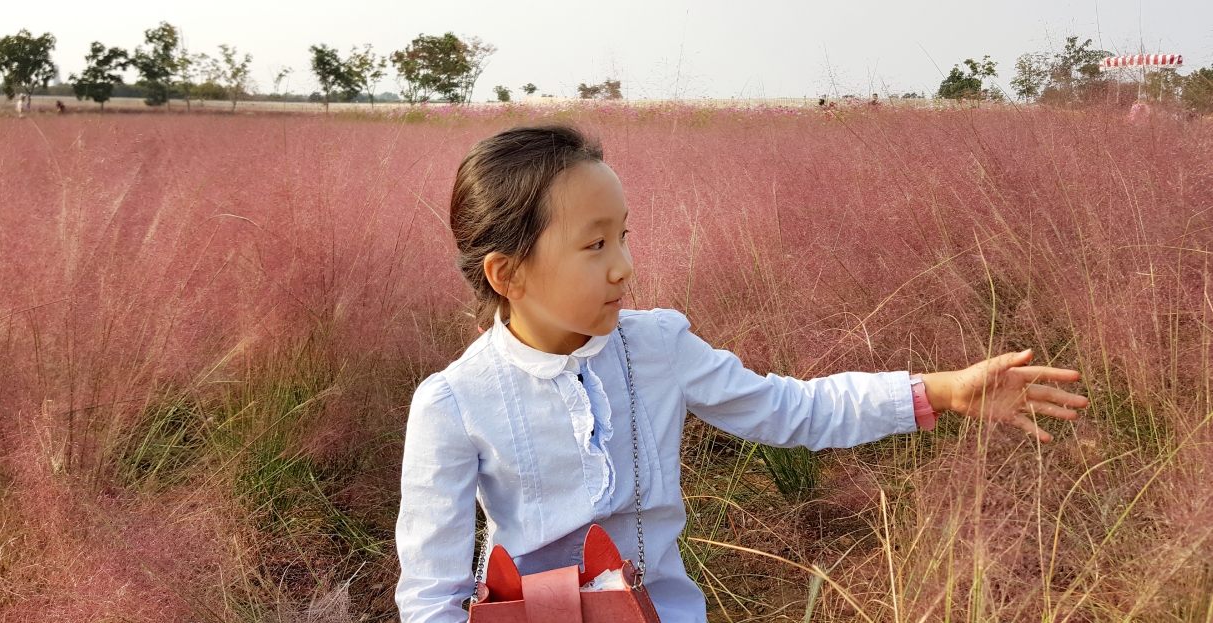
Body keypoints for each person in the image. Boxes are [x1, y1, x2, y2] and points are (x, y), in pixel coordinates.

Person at [395, 124, 1087, 623]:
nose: (623, 266)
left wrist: (942, 389)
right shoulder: (454, 404)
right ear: (507, 273)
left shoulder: (657, 345)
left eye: (623, 235)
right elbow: (431, 594)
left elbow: (791, 409)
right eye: (593, 244)